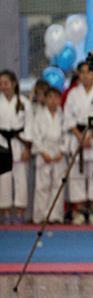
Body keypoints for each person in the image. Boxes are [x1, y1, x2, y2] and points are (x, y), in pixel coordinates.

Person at [64, 61, 93, 225]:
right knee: (76, 176)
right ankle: (79, 211)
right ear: (78, 74)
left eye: (88, 72)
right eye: (82, 72)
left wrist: (90, 136)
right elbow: (68, 118)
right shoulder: (72, 94)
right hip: (77, 137)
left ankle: (92, 210)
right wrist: (80, 136)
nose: (85, 75)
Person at [30, 86, 67, 224]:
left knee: (57, 185)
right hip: (43, 151)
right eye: (49, 97)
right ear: (45, 99)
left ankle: (55, 216)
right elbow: (36, 135)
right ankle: (40, 216)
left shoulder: (63, 115)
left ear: (59, 99)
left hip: (58, 152)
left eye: (55, 97)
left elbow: (66, 135)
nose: (52, 101)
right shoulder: (39, 115)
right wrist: (42, 151)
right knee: (42, 186)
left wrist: (61, 151)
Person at [0, 70, 32, 224]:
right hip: (2, 144)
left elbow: (30, 126)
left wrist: (28, 148)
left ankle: (19, 213)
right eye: (0, 84)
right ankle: (5, 213)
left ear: (14, 84)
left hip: (19, 143)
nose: (3, 86)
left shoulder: (24, 103)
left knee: (20, 179)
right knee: (3, 180)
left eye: (6, 83)